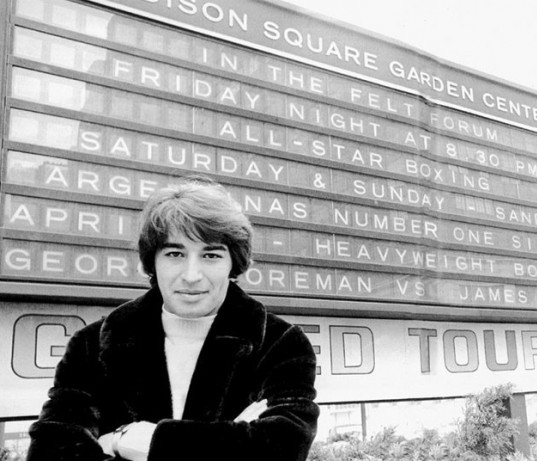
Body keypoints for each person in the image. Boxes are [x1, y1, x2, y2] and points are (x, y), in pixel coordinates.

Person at [27, 177, 319, 461]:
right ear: (153, 261)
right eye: (175, 253)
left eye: (211, 256)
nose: (192, 276)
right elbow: (52, 451)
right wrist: (227, 440)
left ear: (234, 262)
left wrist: (129, 442)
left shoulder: (281, 344)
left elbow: (280, 447)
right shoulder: (93, 344)